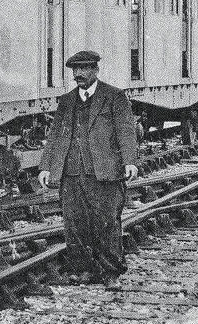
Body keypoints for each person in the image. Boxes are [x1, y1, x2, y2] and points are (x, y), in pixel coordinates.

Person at [37, 51, 139, 289]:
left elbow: (126, 131)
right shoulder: (67, 100)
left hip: (104, 172)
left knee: (107, 222)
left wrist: (130, 161)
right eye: (75, 70)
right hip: (72, 173)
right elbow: (55, 136)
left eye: (84, 69)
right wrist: (46, 167)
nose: (79, 74)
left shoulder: (114, 96)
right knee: (75, 223)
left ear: (96, 71)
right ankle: (82, 269)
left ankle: (110, 271)